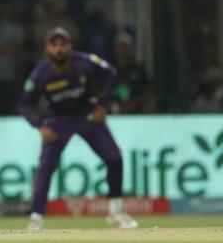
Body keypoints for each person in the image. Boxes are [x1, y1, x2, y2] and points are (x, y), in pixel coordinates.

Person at [19, 27, 138, 231]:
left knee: (114, 158)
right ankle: (36, 217)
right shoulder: (40, 73)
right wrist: (40, 126)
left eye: (63, 44)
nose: (59, 49)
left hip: (87, 116)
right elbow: (25, 105)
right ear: (47, 49)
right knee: (46, 167)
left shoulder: (84, 61)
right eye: (54, 45)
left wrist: (102, 104)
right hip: (57, 121)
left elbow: (111, 74)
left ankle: (116, 210)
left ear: (70, 47)